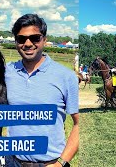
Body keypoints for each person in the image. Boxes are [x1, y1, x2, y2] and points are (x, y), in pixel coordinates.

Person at [5, 14, 79, 166]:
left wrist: (61, 163)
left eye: (35, 38)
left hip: (49, 163)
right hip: (12, 161)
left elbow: (79, 124)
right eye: (21, 39)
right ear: (16, 42)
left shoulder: (66, 76)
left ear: (44, 40)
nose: (28, 43)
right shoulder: (7, 72)